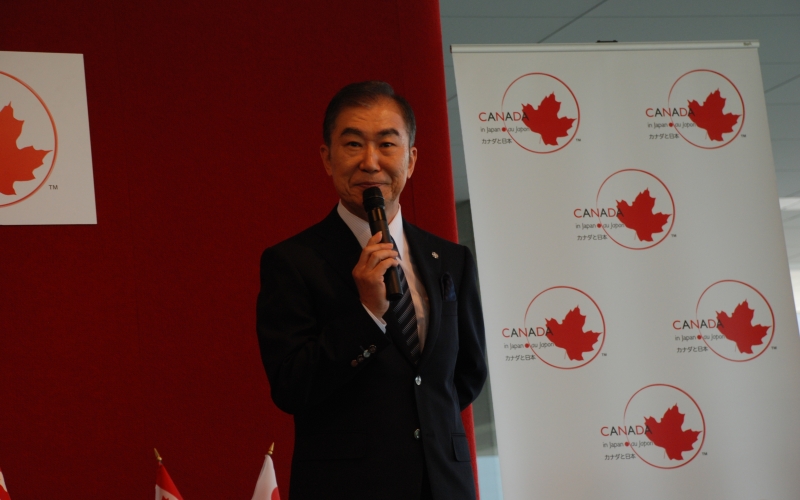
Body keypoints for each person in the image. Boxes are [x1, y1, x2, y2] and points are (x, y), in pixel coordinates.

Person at [257, 81, 487, 500]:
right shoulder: (293, 262)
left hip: (444, 485)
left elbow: (466, 373)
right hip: (349, 487)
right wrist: (366, 314)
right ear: (327, 158)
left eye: (386, 144)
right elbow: (291, 386)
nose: (370, 162)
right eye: (352, 144)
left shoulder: (451, 259)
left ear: (411, 159)